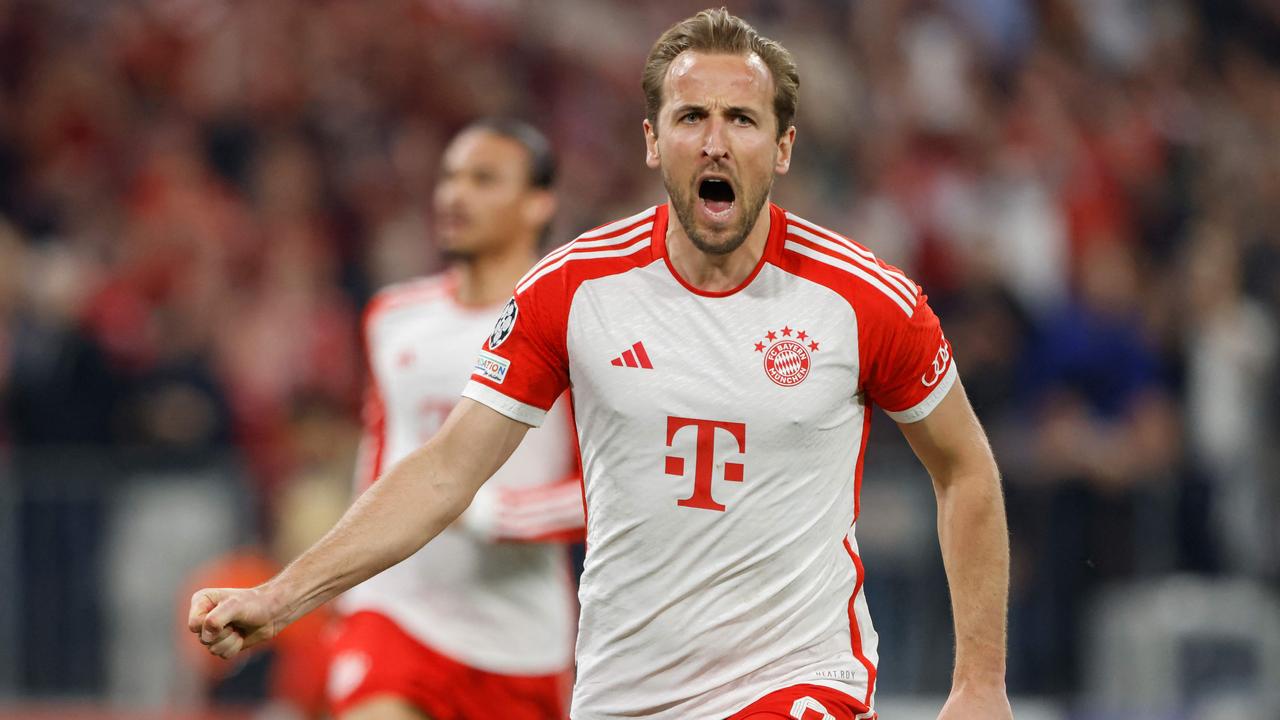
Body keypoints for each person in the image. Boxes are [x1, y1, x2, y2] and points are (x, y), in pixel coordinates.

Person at [190, 10, 1013, 719]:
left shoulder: (868, 301)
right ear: (653, 142)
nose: (716, 142)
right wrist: (280, 595)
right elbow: (446, 469)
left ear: (785, 146)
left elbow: (965, 468)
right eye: (691, 117)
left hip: (798, 674)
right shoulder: (573, 290)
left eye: (743, 119)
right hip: (624, 689)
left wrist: (979, 683)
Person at [327, 119, 584, 720]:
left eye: (483, 179)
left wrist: (491, 513)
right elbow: (382, 460)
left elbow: (609, 492)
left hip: (519, 639)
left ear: (538, 204)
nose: (454, 195)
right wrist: (339, 577)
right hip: (395, 612)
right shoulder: (393, 317)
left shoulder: (572, 330)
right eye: (449, 178)